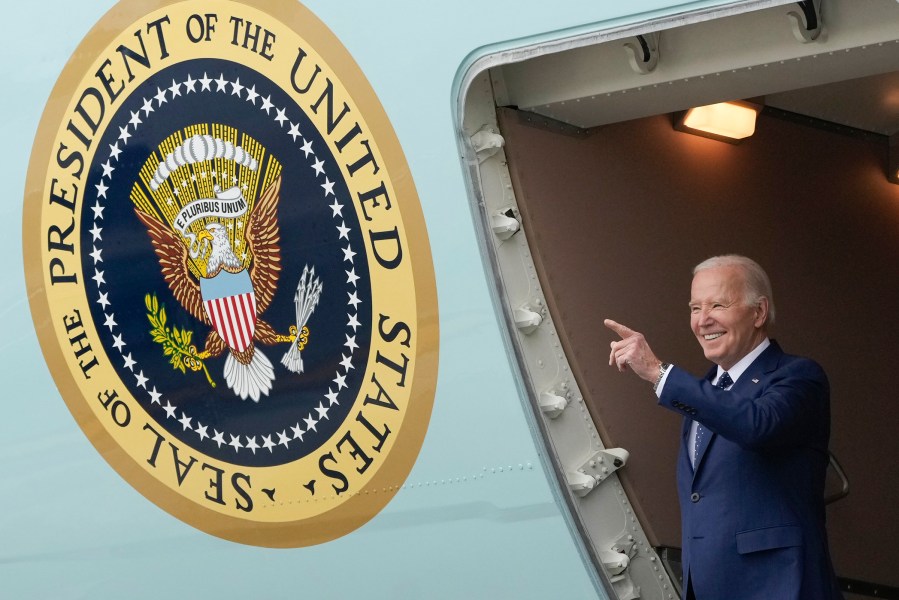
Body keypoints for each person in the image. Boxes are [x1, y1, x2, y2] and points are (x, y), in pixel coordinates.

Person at [605, 255, 842, 600]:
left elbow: (756, 425)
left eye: (718, 304)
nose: (703, 320)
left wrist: (659, 373)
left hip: (779, 587)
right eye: (694, 308)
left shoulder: (798, 377)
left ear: (759, 313)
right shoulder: (703, 397)